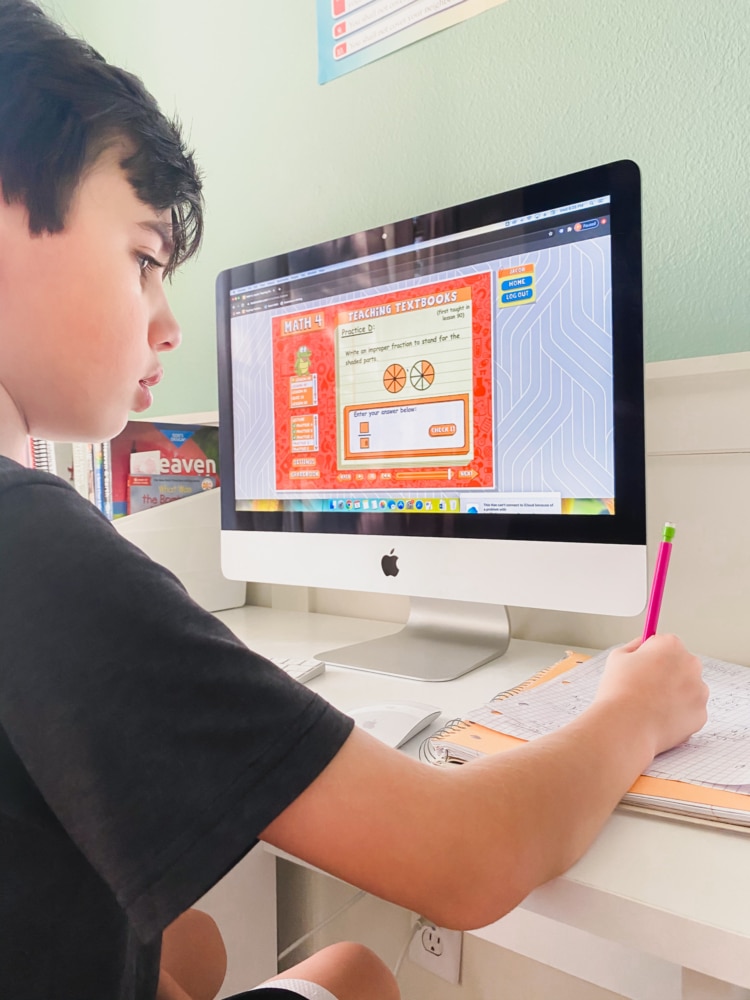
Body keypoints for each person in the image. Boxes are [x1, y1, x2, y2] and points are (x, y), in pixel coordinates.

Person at [0, 2, 709, 999]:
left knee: (189, 944)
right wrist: (633, 709)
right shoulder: (32, 546)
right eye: (146, 258)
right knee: (358, 969)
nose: (167, 324)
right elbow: (463, 857)